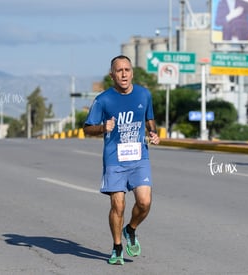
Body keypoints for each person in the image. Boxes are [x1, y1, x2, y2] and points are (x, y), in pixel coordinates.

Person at [83, 55, 160, 265]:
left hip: (139, 156)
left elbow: (149, 118)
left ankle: (131, 229)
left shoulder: (144, 95)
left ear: (132, 72)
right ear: (112, 75)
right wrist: (102, 128)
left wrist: (153, 132)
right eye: (119, 70)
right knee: (119, 205)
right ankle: (117, 247)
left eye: (127, 70)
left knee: (144, 203)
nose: (124, 74)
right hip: (114, 159)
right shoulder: (103, 99)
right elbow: (87, 128)